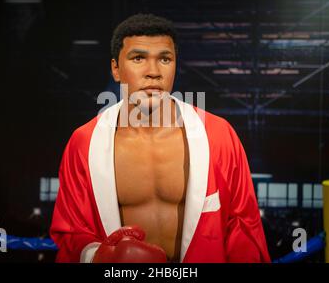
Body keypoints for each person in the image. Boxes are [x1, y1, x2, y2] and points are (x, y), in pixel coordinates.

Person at [50, 13, 271, 263]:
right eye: (138, 58)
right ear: (116, 69)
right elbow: (71, 230)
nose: (153, 72)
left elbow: (243, 227)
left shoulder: (219, 135)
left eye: (164, 59)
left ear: (175, 65)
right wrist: (97, 256)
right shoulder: (84, 142)